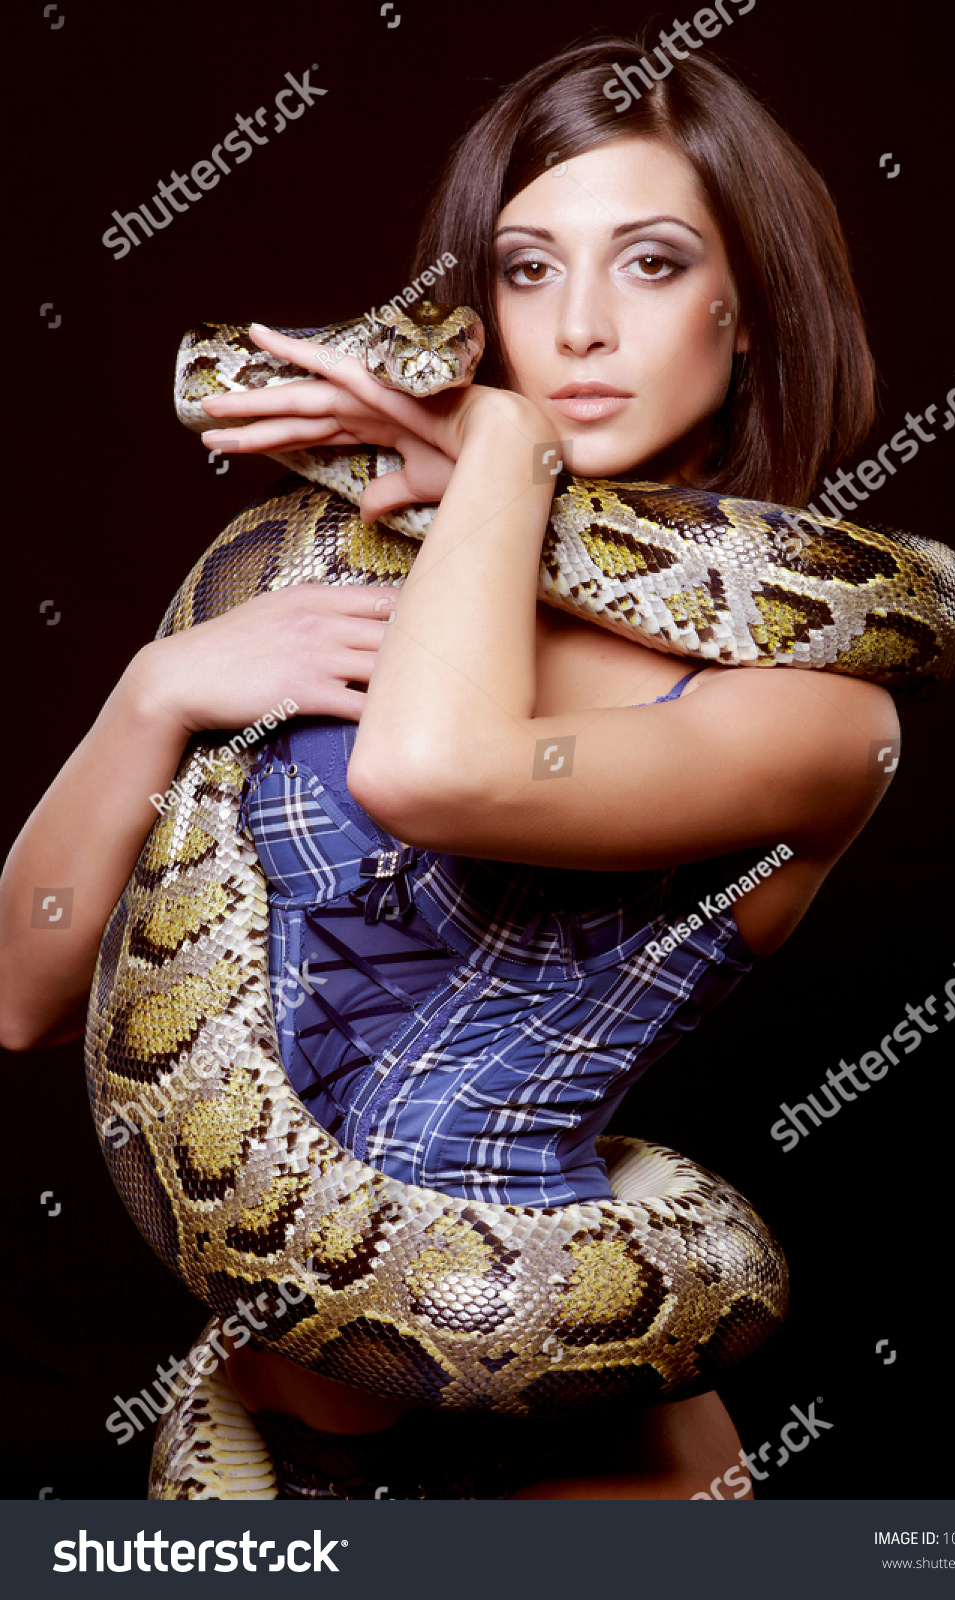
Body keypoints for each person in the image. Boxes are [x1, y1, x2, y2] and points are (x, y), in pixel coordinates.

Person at [0, 37, 898, 1499]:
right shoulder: (293, 570)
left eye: (653, 263)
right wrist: (153, 688)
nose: (584, 326)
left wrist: (501, 447)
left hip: (601, 1478)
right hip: (254, 1444)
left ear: (749, 318)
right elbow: (20, 995)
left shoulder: (815, 712)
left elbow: (432, 772)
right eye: (529, 270)